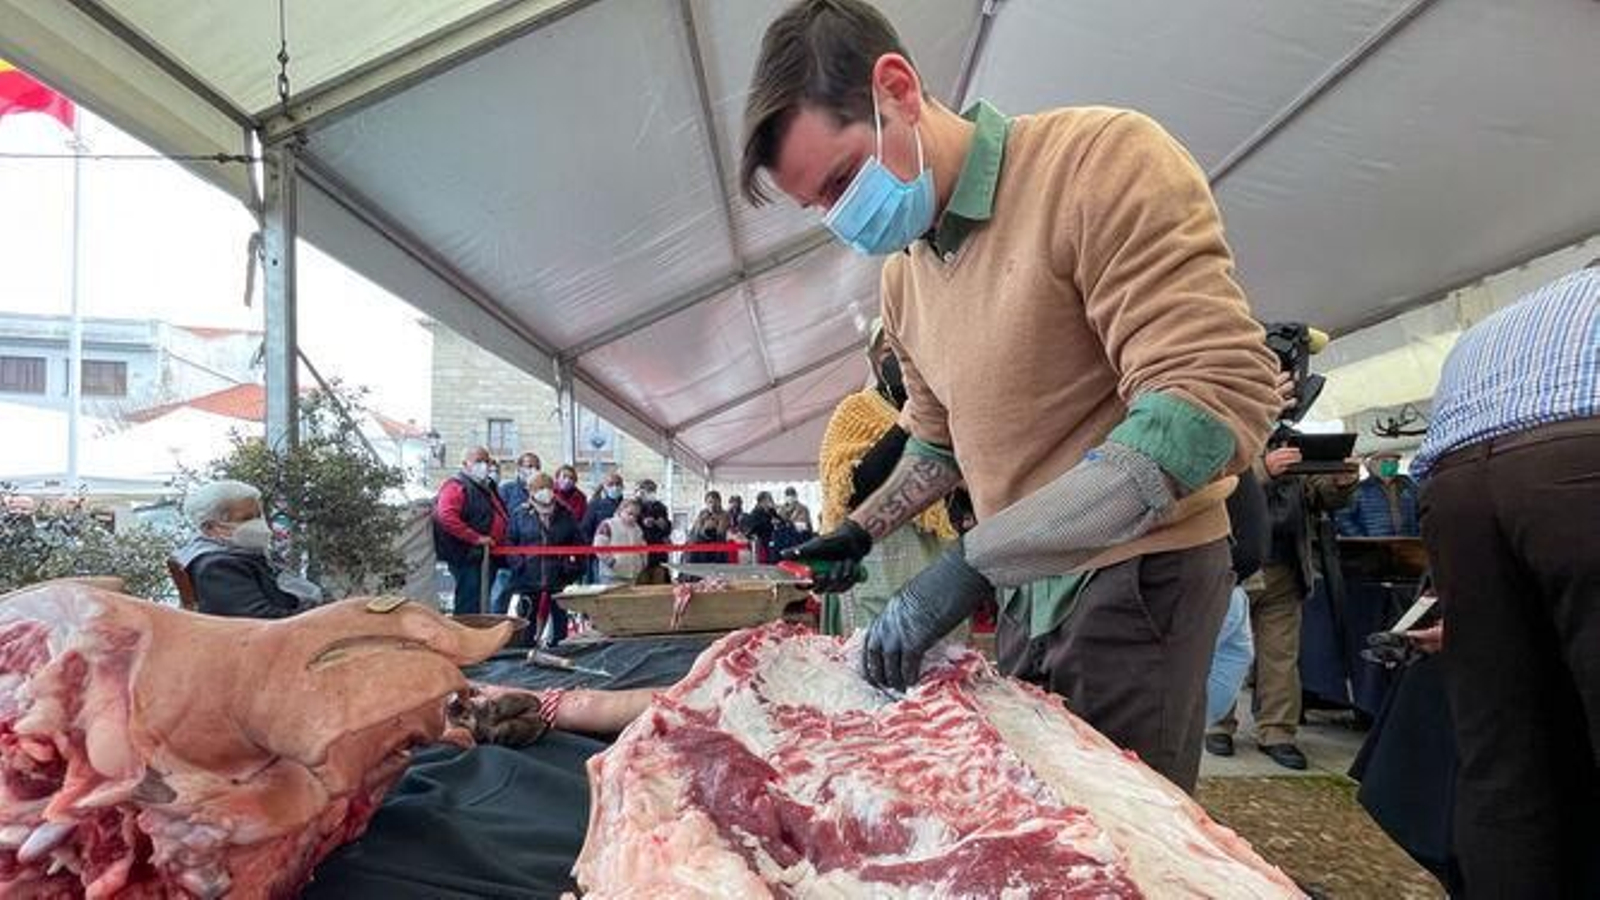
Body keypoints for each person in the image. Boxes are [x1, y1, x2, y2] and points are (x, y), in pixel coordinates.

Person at [747, 0, 1278, 791]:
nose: (840, 217)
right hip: (1027, 585)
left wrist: (972, 561)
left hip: (1137, 575)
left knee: (1112, 835)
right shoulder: (906, 278)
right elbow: (936, 443)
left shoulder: (1097, 161)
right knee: (1034, 811)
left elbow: (1206, 399)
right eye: (817, 207)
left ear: (896, 89)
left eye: (842, 179)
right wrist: (861, 530)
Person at [1408, 259, 1600, 897]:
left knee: (1504, 760)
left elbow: (1427, 468)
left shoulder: (1496, 325)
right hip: (1582, 467)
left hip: (1457, 493)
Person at [1207, 443, 1355, 769]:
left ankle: (1277, 732)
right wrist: (1262, 470)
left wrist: (1340, 483)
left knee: (1281, 656)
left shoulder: (1297, 443)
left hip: (1284, 570)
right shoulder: (1230, 436)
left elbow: (1320, 497)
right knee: (1222, 649)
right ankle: (1217, 723)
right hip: (1235, 566)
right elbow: (1213, 488)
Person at [815, 323, 957, 636]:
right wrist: (903, 427)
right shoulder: (855, 410)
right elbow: (851, 489)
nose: (899, 358)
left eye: (906, 348)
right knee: (876, 654)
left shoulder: (943, 410)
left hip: (931, 556)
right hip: (874, 558)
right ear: (874, 361)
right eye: (888, 351)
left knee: (939, 662)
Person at [174, 480, 321, 619]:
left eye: (258, 516)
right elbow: (258, 619)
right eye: (246, 518)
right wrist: (321, 618)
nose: (258, 524)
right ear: (210, 528)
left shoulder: (242, 551)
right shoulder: (217, 567)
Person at [505, 472, 584, 646]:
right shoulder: (520, 514)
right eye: (540, 488)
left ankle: (559, 645)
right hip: (529, 574)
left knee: (559, 615)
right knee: (527, 614)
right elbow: (510, 541)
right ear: (531, 491)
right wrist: (518, 563)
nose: (546, 492)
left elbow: (578, 542)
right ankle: (526, 647)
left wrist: (573, 566)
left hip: (558, 574)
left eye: (548, 487)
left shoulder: (565, 513)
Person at [432, 446, 509, 615]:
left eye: (486, 461)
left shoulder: (485, 487)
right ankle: (465, 639)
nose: (484, 465)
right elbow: (446, 516)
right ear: (465, 464)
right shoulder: (456, 486)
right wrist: (476, 538)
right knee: (469, 605)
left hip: (484, 556)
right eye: (478, 461)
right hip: (467, 556)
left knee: (480, 604)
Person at [1336, 450, 1421, 537]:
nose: (1391, 465)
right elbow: (1343, 518)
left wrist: (1419, 535)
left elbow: (1422, 512)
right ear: (1373, 465)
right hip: (1377, 546)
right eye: (1385, 461)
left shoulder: (1408, 486)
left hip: (1408, 543)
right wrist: (1362, 539)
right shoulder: (1361, 490)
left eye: (1394, 462)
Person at [592, 498, 647, 585]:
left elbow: (643, 548)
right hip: (611, 575)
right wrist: (611, 562)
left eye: (636, 515)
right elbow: (599, 546)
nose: (633, 517)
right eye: (630, 513)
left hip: (632, 575)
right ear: (621, 510)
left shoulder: (637, 529)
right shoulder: (607, 525)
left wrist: (642, 563)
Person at [634, 479, 672, 580]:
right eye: (648, 490)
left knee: (659, 579)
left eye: (653, 490)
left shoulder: (661, 507)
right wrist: (642, 522)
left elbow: (667, 529)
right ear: (640, 491)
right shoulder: (634, 506)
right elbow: (629, 523)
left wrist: (664, 524)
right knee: (642, 581)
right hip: (641, 549)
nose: (651, 493)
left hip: (658, 550)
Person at [685, 491, 732, 564]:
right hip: (700, 548)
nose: (712, 505)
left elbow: (721, 532)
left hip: (717, 549)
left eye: (715, 502)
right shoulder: (702, 514)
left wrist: (715, 525)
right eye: (710, 502)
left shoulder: (724, 515)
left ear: (719, 502)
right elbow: (696, 530)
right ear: (706, 503)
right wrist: (704, 528)